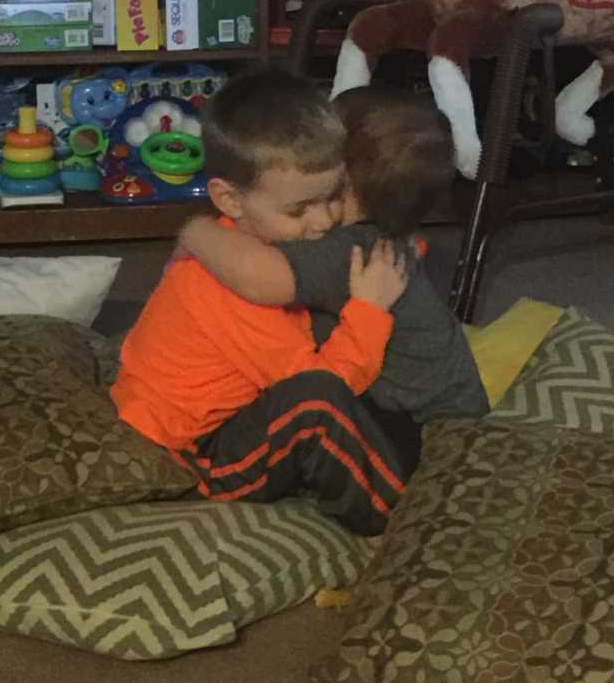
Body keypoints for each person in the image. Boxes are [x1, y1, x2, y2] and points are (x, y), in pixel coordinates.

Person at [111, 70, 417, 537]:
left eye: (332, 199)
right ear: (229, 200)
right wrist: (370, 310)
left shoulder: (253, 246)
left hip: (241, 407)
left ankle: (410, 465)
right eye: (298, 211)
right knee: (317, 402)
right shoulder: (228, 286)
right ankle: (397, 525)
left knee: (393, 406)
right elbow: (323, 382)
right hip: (197, 454)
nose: (322, 222)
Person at [179, 84, 489, 427]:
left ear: (343, 179)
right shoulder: (381, 233)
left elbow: (258, 276)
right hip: (446, 399)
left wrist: (196, 231)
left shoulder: (348, 250)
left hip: (431, 426)